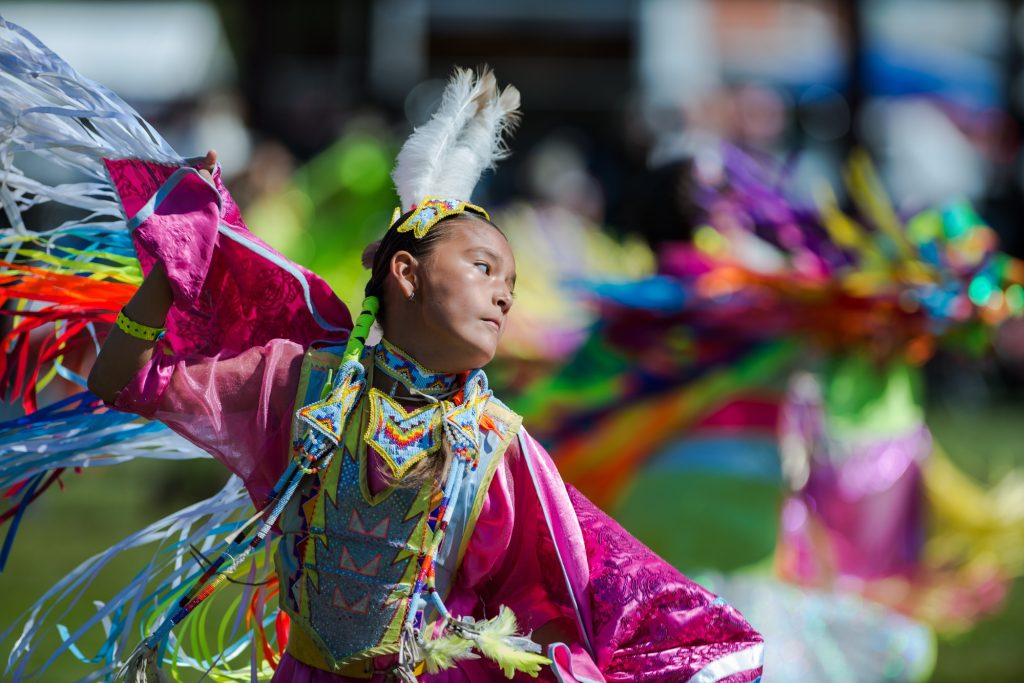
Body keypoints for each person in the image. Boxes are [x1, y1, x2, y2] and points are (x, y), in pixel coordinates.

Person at [1, 17, 763, 682]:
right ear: (404, 272)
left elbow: (581, 588)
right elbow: (124, 379)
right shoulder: (298, 388)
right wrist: (170, 274)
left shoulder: (498, 447)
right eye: (483, 267)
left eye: (511, 280)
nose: (504, 293)